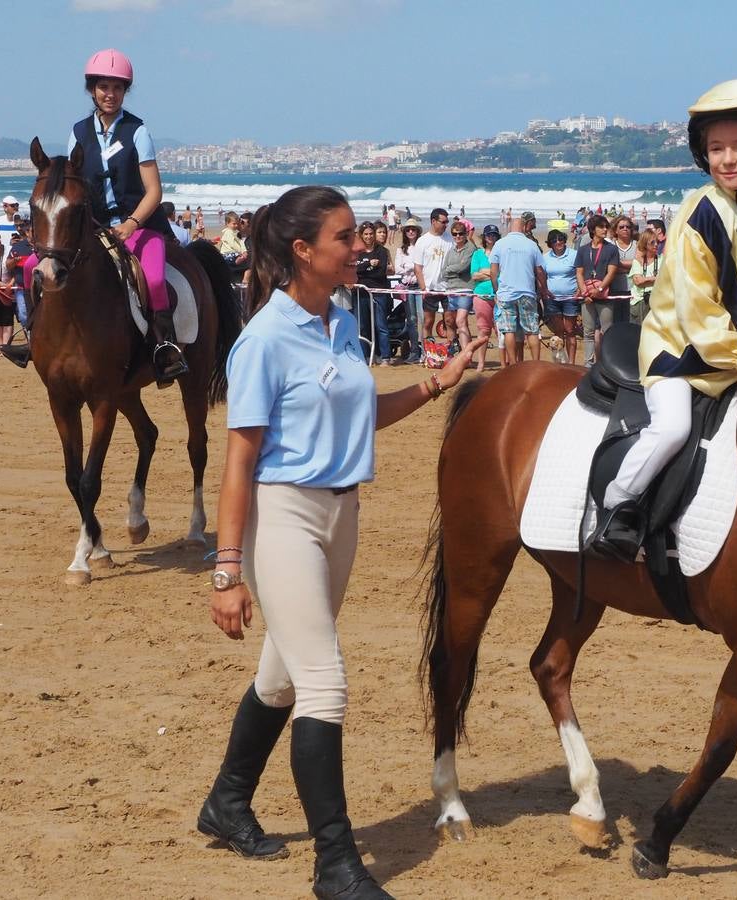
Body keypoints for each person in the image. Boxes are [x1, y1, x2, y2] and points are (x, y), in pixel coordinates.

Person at [198, 185, 484, 899]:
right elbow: (239, 459)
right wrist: (226, 570)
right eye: (346, 236)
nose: (360, 245)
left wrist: (432, 386)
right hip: (282, 517)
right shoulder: (264, 339)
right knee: (325, 683)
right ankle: (336, 863)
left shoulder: (342, 319)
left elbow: (357, 415)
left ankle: (226, 803)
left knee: (284, 677)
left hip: (340, 516)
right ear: (303, 250)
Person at [590, 78, 737, 560]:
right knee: (671, 428)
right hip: (682, 355)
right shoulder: (702, 211)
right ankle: (617, 509)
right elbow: (697, 307)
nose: (727, 159)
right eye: (716, 149)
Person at [9, 49, 187, 383]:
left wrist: (130, 224)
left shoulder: (138, 132)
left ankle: (164, 348)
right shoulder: (78, 132)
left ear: (124, 92)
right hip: (93, 227)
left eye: (117, 88)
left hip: (139, 226)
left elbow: (154, 192)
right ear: (92, 90)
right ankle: (31, 336)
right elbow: (70, 186)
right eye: (103, 87)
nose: (110, 94)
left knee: (153, 277)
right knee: (33, 266)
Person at [489, 210, 545, 365]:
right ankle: (535, 363)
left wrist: (496, 290)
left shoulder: (500, 244)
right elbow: (540, 270)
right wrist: (544, 289)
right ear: (522, 228)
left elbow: (494, 271)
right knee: (532, 330)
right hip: (527, 291)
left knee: (509, 330)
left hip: (506, 293)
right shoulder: (531, 244)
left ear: (510, 228)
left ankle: (512, 363)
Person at [574, 214, 621, 367]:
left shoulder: (611, 249)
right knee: (587, 332)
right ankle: (588, 363)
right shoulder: (582, 250)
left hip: (604, 296)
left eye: (606, 226)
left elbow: (612, 272)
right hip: (587, 295)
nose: (605, 229)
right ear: (593, 229)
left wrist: (600, 289)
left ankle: (607, 363)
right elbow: (579, 273)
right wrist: (584, 292)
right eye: (601, 227)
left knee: (606, 331)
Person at [353, 221, 392, 365]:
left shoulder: (381, 251)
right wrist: (368, 265)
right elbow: (354, 271)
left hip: (377, 292)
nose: (368, 237)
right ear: (361, 235)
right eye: (366, 234)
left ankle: (385, 357)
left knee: (380, 325)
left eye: (371, 234)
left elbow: (381, 274)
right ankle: (364, 356)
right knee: (362, 326)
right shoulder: (357, 252)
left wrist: (363, 272)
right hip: (360, 293)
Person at [413, 208, 453, 347]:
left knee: (449, 321)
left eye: (447, 222)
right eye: (443, 222)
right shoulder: (423, 241)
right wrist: (424, 288)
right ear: (433, 221)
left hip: (447, 287)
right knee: (428, 321)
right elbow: (418, 267)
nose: (446, 224)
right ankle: (428, 350)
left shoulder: (450, 239)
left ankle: (451, 348)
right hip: (430, 288)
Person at [541, 228, 579, 364]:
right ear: (550, 243)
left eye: (561, 239)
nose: (558, 242)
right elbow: (542, 276)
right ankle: (559, 363)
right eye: (554, 240)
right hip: (552, 299)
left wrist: (580, 289)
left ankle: (572, 363)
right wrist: (544, 290)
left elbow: (580, 273)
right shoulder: (545, 257)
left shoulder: (574, 254)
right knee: (558, 332)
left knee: (570, 331)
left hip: (570, 298)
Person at [438, 218, 476, 353]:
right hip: (451, 289)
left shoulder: (471, 248)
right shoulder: (452, 250)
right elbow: (443, 270)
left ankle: (466, 355)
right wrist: (452, 270)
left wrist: (451, 269)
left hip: (465, 289)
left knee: (461, 321)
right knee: (455, 323)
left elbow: (463, 267)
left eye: (460, 233)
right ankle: (466, 352)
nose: (458, 236)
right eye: (454, 234)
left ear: (466, 234)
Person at [393, 217, 423, 364]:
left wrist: (410, 267)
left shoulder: (421, 246)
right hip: (407, 286)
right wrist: (412, 267)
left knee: (422, 318)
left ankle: (423, 349)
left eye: (413, 229)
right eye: (408, 230)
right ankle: (414, 351)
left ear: (417, 232)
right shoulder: (401, 250)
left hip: (419, 285)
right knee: (411, 320)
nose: (411, 232)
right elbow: (398, 268)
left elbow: (423, 266)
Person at [469, 225, 499, 371]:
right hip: (481, 295)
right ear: (484, 237)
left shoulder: (501, 253)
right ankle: (481, 363)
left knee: (501, 330)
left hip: (498, 294)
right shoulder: (478, 254)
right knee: (483, 330)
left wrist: (485, 272)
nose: (491, 237)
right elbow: (474, 275)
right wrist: (492, 273)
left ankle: (505, 363)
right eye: (488, 235)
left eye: (494, 235)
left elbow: (502, 273)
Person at [629, 229, 659, 323]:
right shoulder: (637, 261)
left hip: (656, 301)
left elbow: (665, 279)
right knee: (637, 334)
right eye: (652, 242)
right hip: (639, 302)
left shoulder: (662, 260)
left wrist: (645, 279)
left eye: (657, 242)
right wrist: (656, 278)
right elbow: (638, 282)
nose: (656, 245)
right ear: (645, 244)